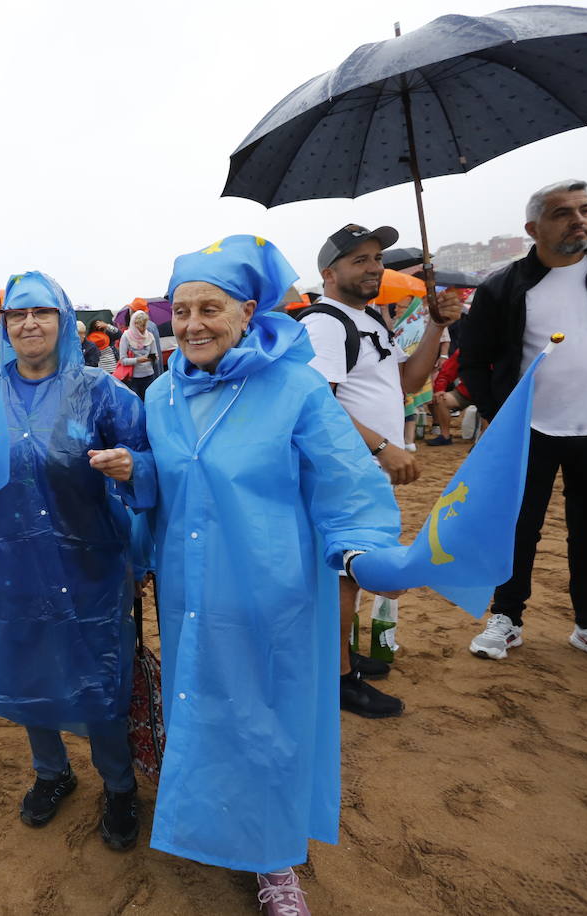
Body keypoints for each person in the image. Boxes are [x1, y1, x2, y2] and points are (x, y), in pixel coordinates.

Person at [143, 235, 404, 916]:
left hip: (275, 592)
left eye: (211, 308)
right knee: (202, 708)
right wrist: (131, 475)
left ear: (248, 311)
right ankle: (210, 825)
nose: (193, 323)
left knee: (271, 719)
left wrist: (363, 549)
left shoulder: (295, 388)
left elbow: (344, 482)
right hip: (189, 592)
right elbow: (166, 485)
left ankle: (276, 861)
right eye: (182, 310)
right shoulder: (161, 395)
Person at [0, 271, 152, 851]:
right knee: (27, 670)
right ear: (1, 327)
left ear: (64, 320)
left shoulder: (101, 392)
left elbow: (151, 465)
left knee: (100, 677)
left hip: (89, 568)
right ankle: (52, 772)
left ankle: (119, 785)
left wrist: (131, 469)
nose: (28, 324)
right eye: (16, 315)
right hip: (5, 566)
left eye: (42, 313)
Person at [300, 223, 461, 717]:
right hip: (342, 471)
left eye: (376, 258)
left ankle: (342, 657)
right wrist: (385, 445)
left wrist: (435, 325)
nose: (373, 267)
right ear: (329, 273)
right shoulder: (325, 323)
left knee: (350, 570)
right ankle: (337, 681)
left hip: (364, 472)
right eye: (359, 260)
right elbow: (316, 403)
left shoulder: (368, 320)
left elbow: (409, 382)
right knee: (344, 573)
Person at [461, 180, 587, 668]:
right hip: (529, 433)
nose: (579, 220)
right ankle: (507, 617)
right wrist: (498, 414)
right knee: (518, 528)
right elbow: (473, 361)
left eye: (585, 210)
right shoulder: (503, 287)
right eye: (563, 212)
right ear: (533, 228)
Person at [118, 307, 162, 400]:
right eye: (140, 326)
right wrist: (138, 360)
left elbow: (155, 355)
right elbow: (122, 360)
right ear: (134, 324)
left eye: (144, 325)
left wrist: (152, 358)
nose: (143, 329)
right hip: (133, 379)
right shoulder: (126, 336)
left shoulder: (149, 336)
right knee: (136, 405)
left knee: (149, 402)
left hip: (149, 376)